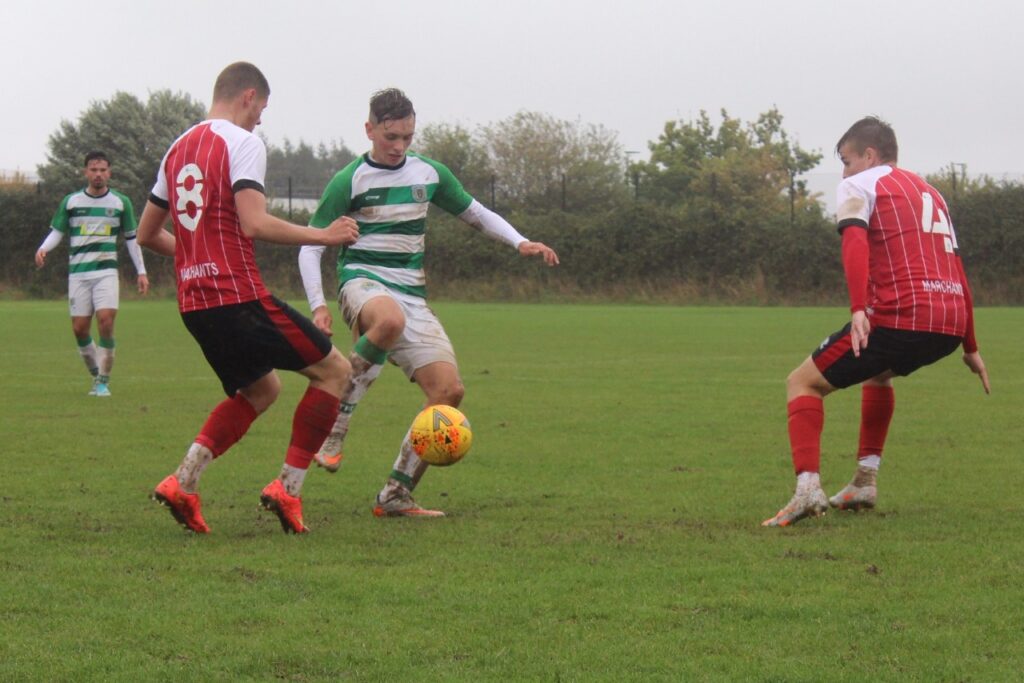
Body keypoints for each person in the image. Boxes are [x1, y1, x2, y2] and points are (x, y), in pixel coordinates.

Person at [299, 88, 559, 518]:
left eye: (407, 137)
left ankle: (395, 495)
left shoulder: (428, 174)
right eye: (390, 137)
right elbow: (310, 247)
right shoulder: (349, 180)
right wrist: (318, 305)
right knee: (388, 320)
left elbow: (476, 212)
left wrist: (520, 242)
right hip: (362, 282)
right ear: (369, 130)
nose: (400, 146)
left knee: (448, 392)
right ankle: (336, 427)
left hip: (412, 293)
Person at [135, 62, 360, 534]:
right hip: (237, 296)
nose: (260, 120)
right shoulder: (242, 142)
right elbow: (254, 222)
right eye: (262, 109)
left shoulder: (177, 149)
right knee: (336, 371)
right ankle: (288, 489)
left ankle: (183, 481)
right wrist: (323, 233)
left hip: (194, 304)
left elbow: (146, 234)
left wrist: (196, 255)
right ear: (249, 96)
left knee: (262, 389)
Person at [762, 116, 990, 528]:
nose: (844, 172)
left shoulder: (861, 184)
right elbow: (957, 268)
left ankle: (807, 490)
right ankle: (864, 481)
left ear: (869, 155)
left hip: (901, 316)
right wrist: (970, 345)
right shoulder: (932, 193)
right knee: (879, 374)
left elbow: (853, 240)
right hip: (949, 324)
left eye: (847, 161)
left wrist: (857, 309)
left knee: (802, 382)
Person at [35, 151, 149, 397]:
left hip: (106, 272)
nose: (98, 174)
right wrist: (43, 248)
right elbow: (58, 232)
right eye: (93, 170)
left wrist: (141, 271)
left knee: (106, 321)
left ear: (109, 172)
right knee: (80, 329)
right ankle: (97, 373)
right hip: (78, 274)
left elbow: (132, 239)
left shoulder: (121, 203)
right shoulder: (72, 202)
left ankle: (103, 382)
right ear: (86, 172)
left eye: (102, 170)